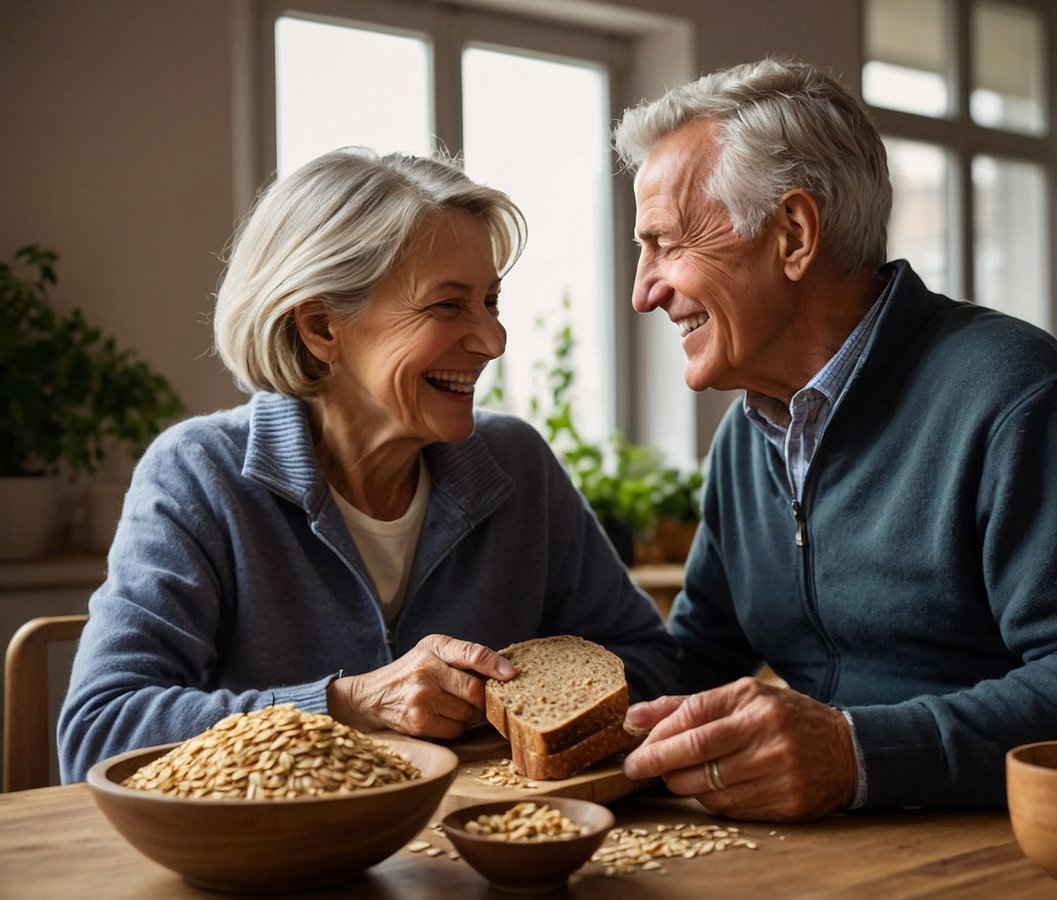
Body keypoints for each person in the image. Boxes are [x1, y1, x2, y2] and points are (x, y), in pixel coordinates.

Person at [611, 57, 1057, 821]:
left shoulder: (1017, 398)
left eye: (665, 244)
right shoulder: (745, 437)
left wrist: (857, 753)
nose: (642, 289)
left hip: (1004, 857)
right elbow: (693, 662)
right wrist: (511, 686)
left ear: (793, 233)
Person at [57, 148, 681, 783]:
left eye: (490, 301)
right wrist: (349, 703)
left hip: (473, 851)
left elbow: (653, 662)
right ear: (322, 327)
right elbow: (98, 733)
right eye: (447, 305)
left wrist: (524, 701)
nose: (493, 340)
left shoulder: (517, 464)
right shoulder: (198, 475)